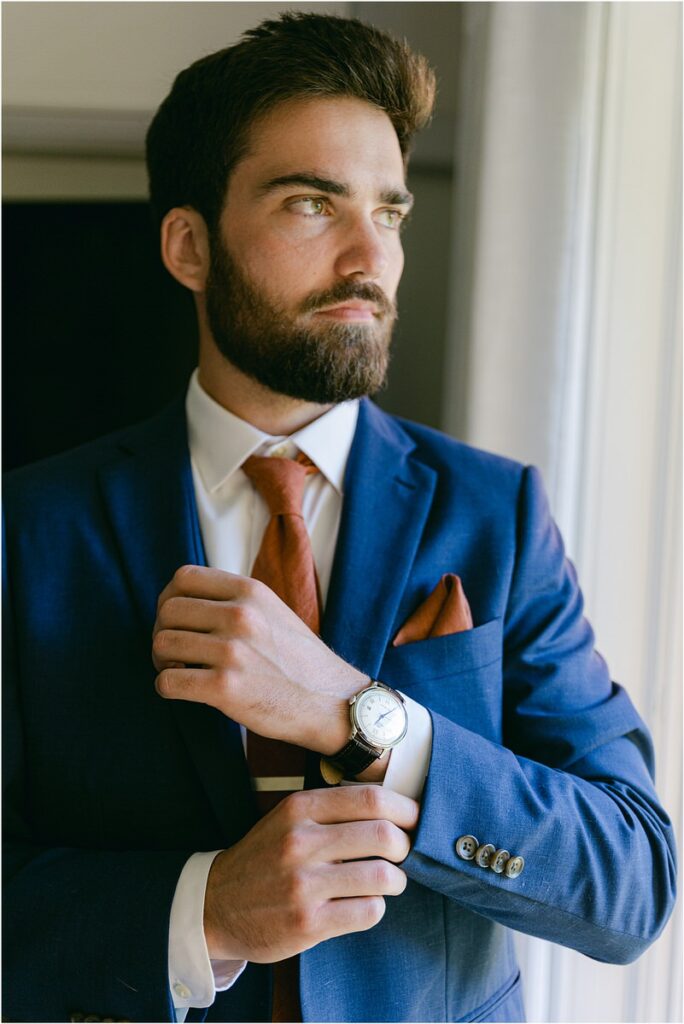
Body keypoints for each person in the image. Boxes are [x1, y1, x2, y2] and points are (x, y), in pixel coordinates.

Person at [3, 13, 676, 1024]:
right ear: (190, 245)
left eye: (391, 212)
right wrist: (203, 913)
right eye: (314, 204)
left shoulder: (499, 514)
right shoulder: (27, 531)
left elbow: (631, 882)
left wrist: (361, 718)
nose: (371, 257)